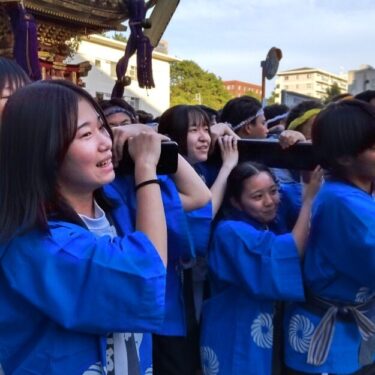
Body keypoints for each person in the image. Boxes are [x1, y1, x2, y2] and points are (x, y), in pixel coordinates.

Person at [0, 79, 211, 374]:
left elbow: (199, 195)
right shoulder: (36, 242)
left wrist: (152, 136)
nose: (105, 142)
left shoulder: (115, 202)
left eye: (103, 127)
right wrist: (145, 170)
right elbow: (144, 271)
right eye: (85, 134)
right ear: (43, 149)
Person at [200, 161, 322, 375]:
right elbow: (287, 251)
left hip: (267, 332)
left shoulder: (272, 218)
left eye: (274, 191)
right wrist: (310, 200)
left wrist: (295, 145)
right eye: (257, 196)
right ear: (236, 202)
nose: (269, 201)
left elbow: (299, 189)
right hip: (236, 334)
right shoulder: (229, 232)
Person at [284, 99, 375, 375]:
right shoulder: (345, 204)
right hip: (329, 344)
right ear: (344, 157)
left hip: (349, 333)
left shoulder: (353, 191)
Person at [153, 104, 238, 375]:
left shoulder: (195, 168)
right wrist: (227, 167)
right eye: (193, 130)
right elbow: (205, 210)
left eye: (205, 129)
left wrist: (218, 129)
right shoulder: (159, 177)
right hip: (166, 294)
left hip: (183, 288)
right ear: (173, 136)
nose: (204, 137)